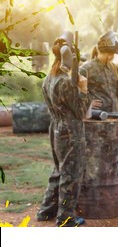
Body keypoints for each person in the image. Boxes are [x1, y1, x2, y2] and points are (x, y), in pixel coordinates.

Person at [36, 31, 91, 227]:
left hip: (56, 127)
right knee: (71, 173)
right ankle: (65, 218)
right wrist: (83, 91)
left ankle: (46, 210)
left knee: (58, 170)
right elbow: (81, 112)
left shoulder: (49, 79)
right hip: (71, 130)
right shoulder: (64, 82)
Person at [79, 30, 118, 112]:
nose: (111, 57)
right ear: (100, 51)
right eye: (109, 53)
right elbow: (75, 94)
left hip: (113, 116)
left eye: (113, 54)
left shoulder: (114, 68)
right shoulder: (86, 69)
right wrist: (88, 102)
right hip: (95, 119)